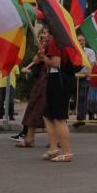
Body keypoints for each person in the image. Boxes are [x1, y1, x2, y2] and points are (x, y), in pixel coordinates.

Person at [33, 23, 74, 162]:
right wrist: (41, 55)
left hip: (58, 79)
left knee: (59, 117)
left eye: (45, 32)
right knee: (48, 115)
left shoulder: (55, 42)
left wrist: (45, 58)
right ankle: (53, 148)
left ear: (51, 34)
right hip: (55, 78)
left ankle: (67, 152)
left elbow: (56, 62)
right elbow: (37, 61)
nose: (43, 35)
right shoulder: (51, 43)